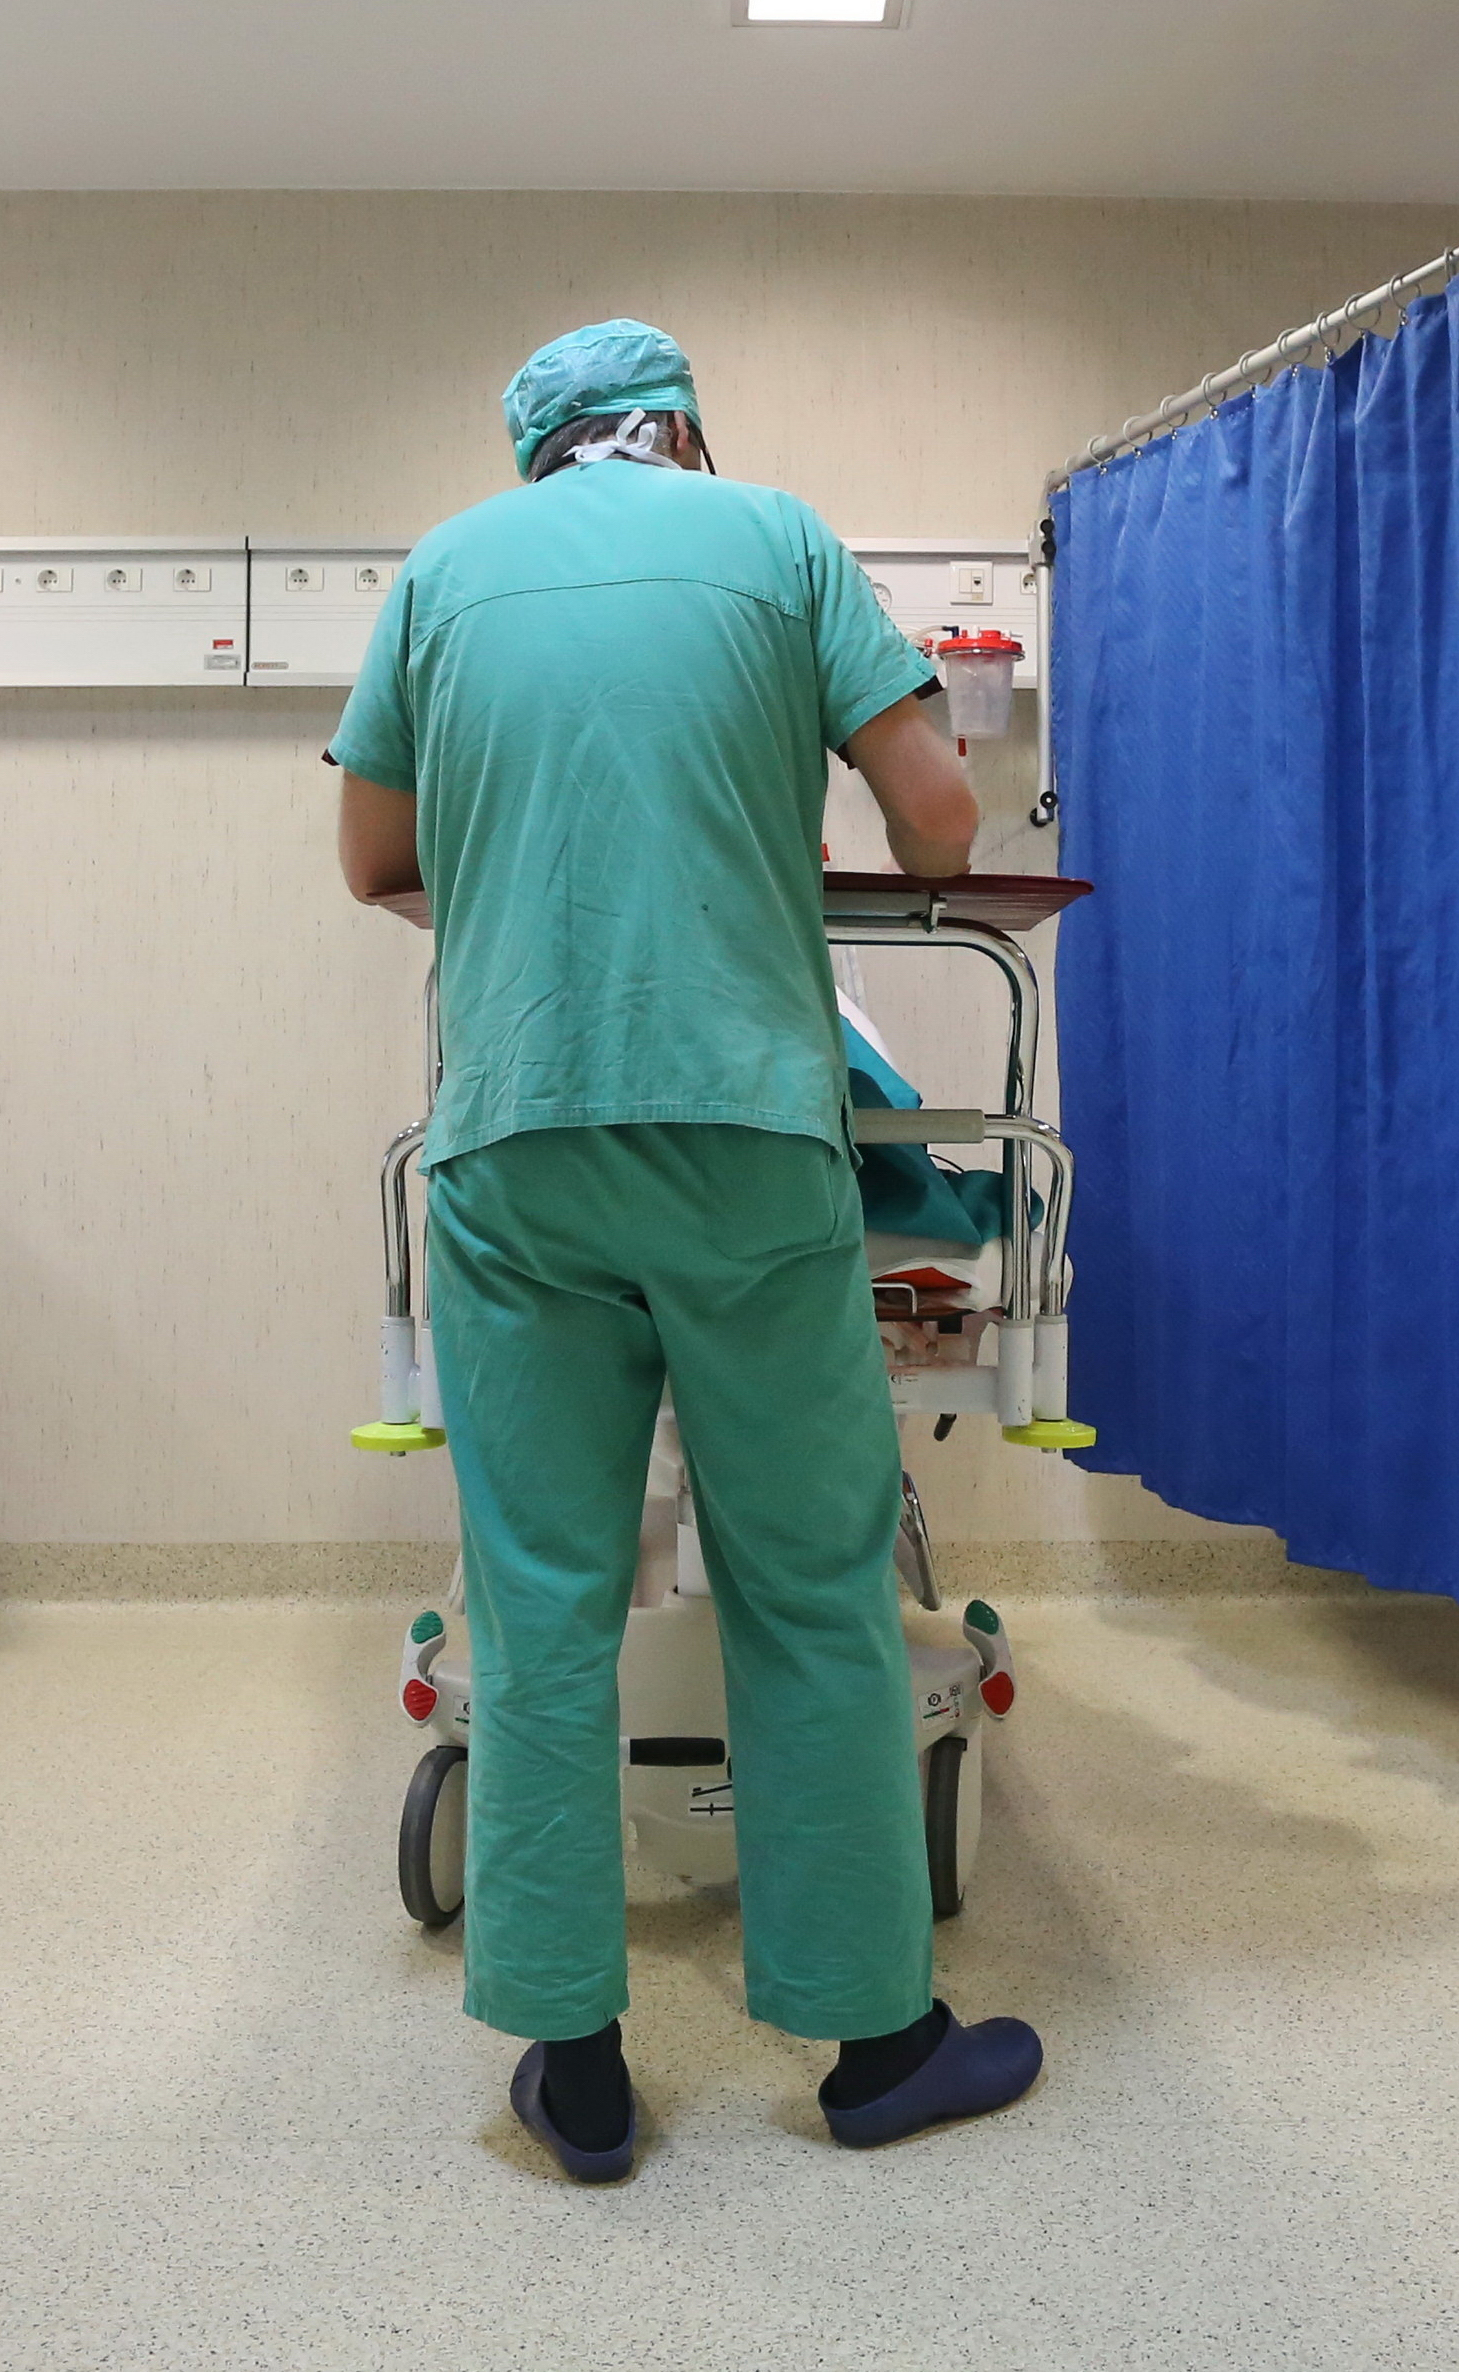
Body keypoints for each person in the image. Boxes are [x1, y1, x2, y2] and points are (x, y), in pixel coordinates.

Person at [329, 318, 1044, 2181]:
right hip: (738, 1125)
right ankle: (878, 2042)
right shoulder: (782, 539)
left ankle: (571, 2058)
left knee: (549, 1595)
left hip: (516, 1131)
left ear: (537, 450)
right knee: (807, 1584)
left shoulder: (440, 571)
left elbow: (370, 857)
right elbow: (947, 821)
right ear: (685, 433)